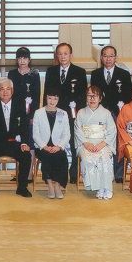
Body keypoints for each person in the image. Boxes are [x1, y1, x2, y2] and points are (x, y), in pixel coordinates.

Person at [0, 78, 33, 198]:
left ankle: (22, 187)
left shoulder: (20, 105)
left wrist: (24, 143)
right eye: (2, 89)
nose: (5, 92)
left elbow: (24, 126)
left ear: (12, 91)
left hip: (14, 143)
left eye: (8, 89)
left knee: (26, 155)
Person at [43, 42, 88, 183]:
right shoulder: (51, 71)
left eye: (65, 53)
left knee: (74, 143)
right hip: (54, 113)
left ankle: (74, 173)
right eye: (60, 54)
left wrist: (78, 112)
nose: (63, 56)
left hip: (73, 113)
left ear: (71, 55)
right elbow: (46, 94)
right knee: (53, 142)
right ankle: (53, 174)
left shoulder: (79, 72)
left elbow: (82, 96)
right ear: (56, 55)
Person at [74, 84, 117, 200]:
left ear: (100, 98)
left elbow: (112, 131)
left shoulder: (106, 113)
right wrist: (86, 143)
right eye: (89, 96)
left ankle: (107, 188)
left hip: (103, 143)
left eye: (95, 96)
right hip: (85, 144)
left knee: (105, 158)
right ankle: (98, 187)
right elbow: (78, 130)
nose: (92, 99)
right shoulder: (81, 113)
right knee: (88, 159)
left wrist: (102, 144)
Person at [32, 91, 70, 199]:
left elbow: (67, 134)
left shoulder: (63, 113)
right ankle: (49, 185)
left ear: (58, 100)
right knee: (47, 156)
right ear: (46, 98)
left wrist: (59, 146)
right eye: (50, 98)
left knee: (61, 156)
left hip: (57, 145)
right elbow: (35, 134)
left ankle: (57, 185)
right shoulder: (38, 113)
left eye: (55, 98)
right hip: (42, 146)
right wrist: (44, 146)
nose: (52, 101)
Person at [89, 45, 132, 119]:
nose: (108, 59)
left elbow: (128, 96)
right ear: (101, 58)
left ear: (116, 57)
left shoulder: (124, 74)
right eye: (105, 56)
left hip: (118, 112)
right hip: (100, 112)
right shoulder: (95, 74)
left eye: (111, 56)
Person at [7, 46, 43, 116]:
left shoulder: (34, 74)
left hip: (29, 111)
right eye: (20, 58)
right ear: (17, 60)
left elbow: (36, 97)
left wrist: (33, 115)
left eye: (25, 58)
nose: (22, 61)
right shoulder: (12, 74)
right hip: (14, 110)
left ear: (29, 60)